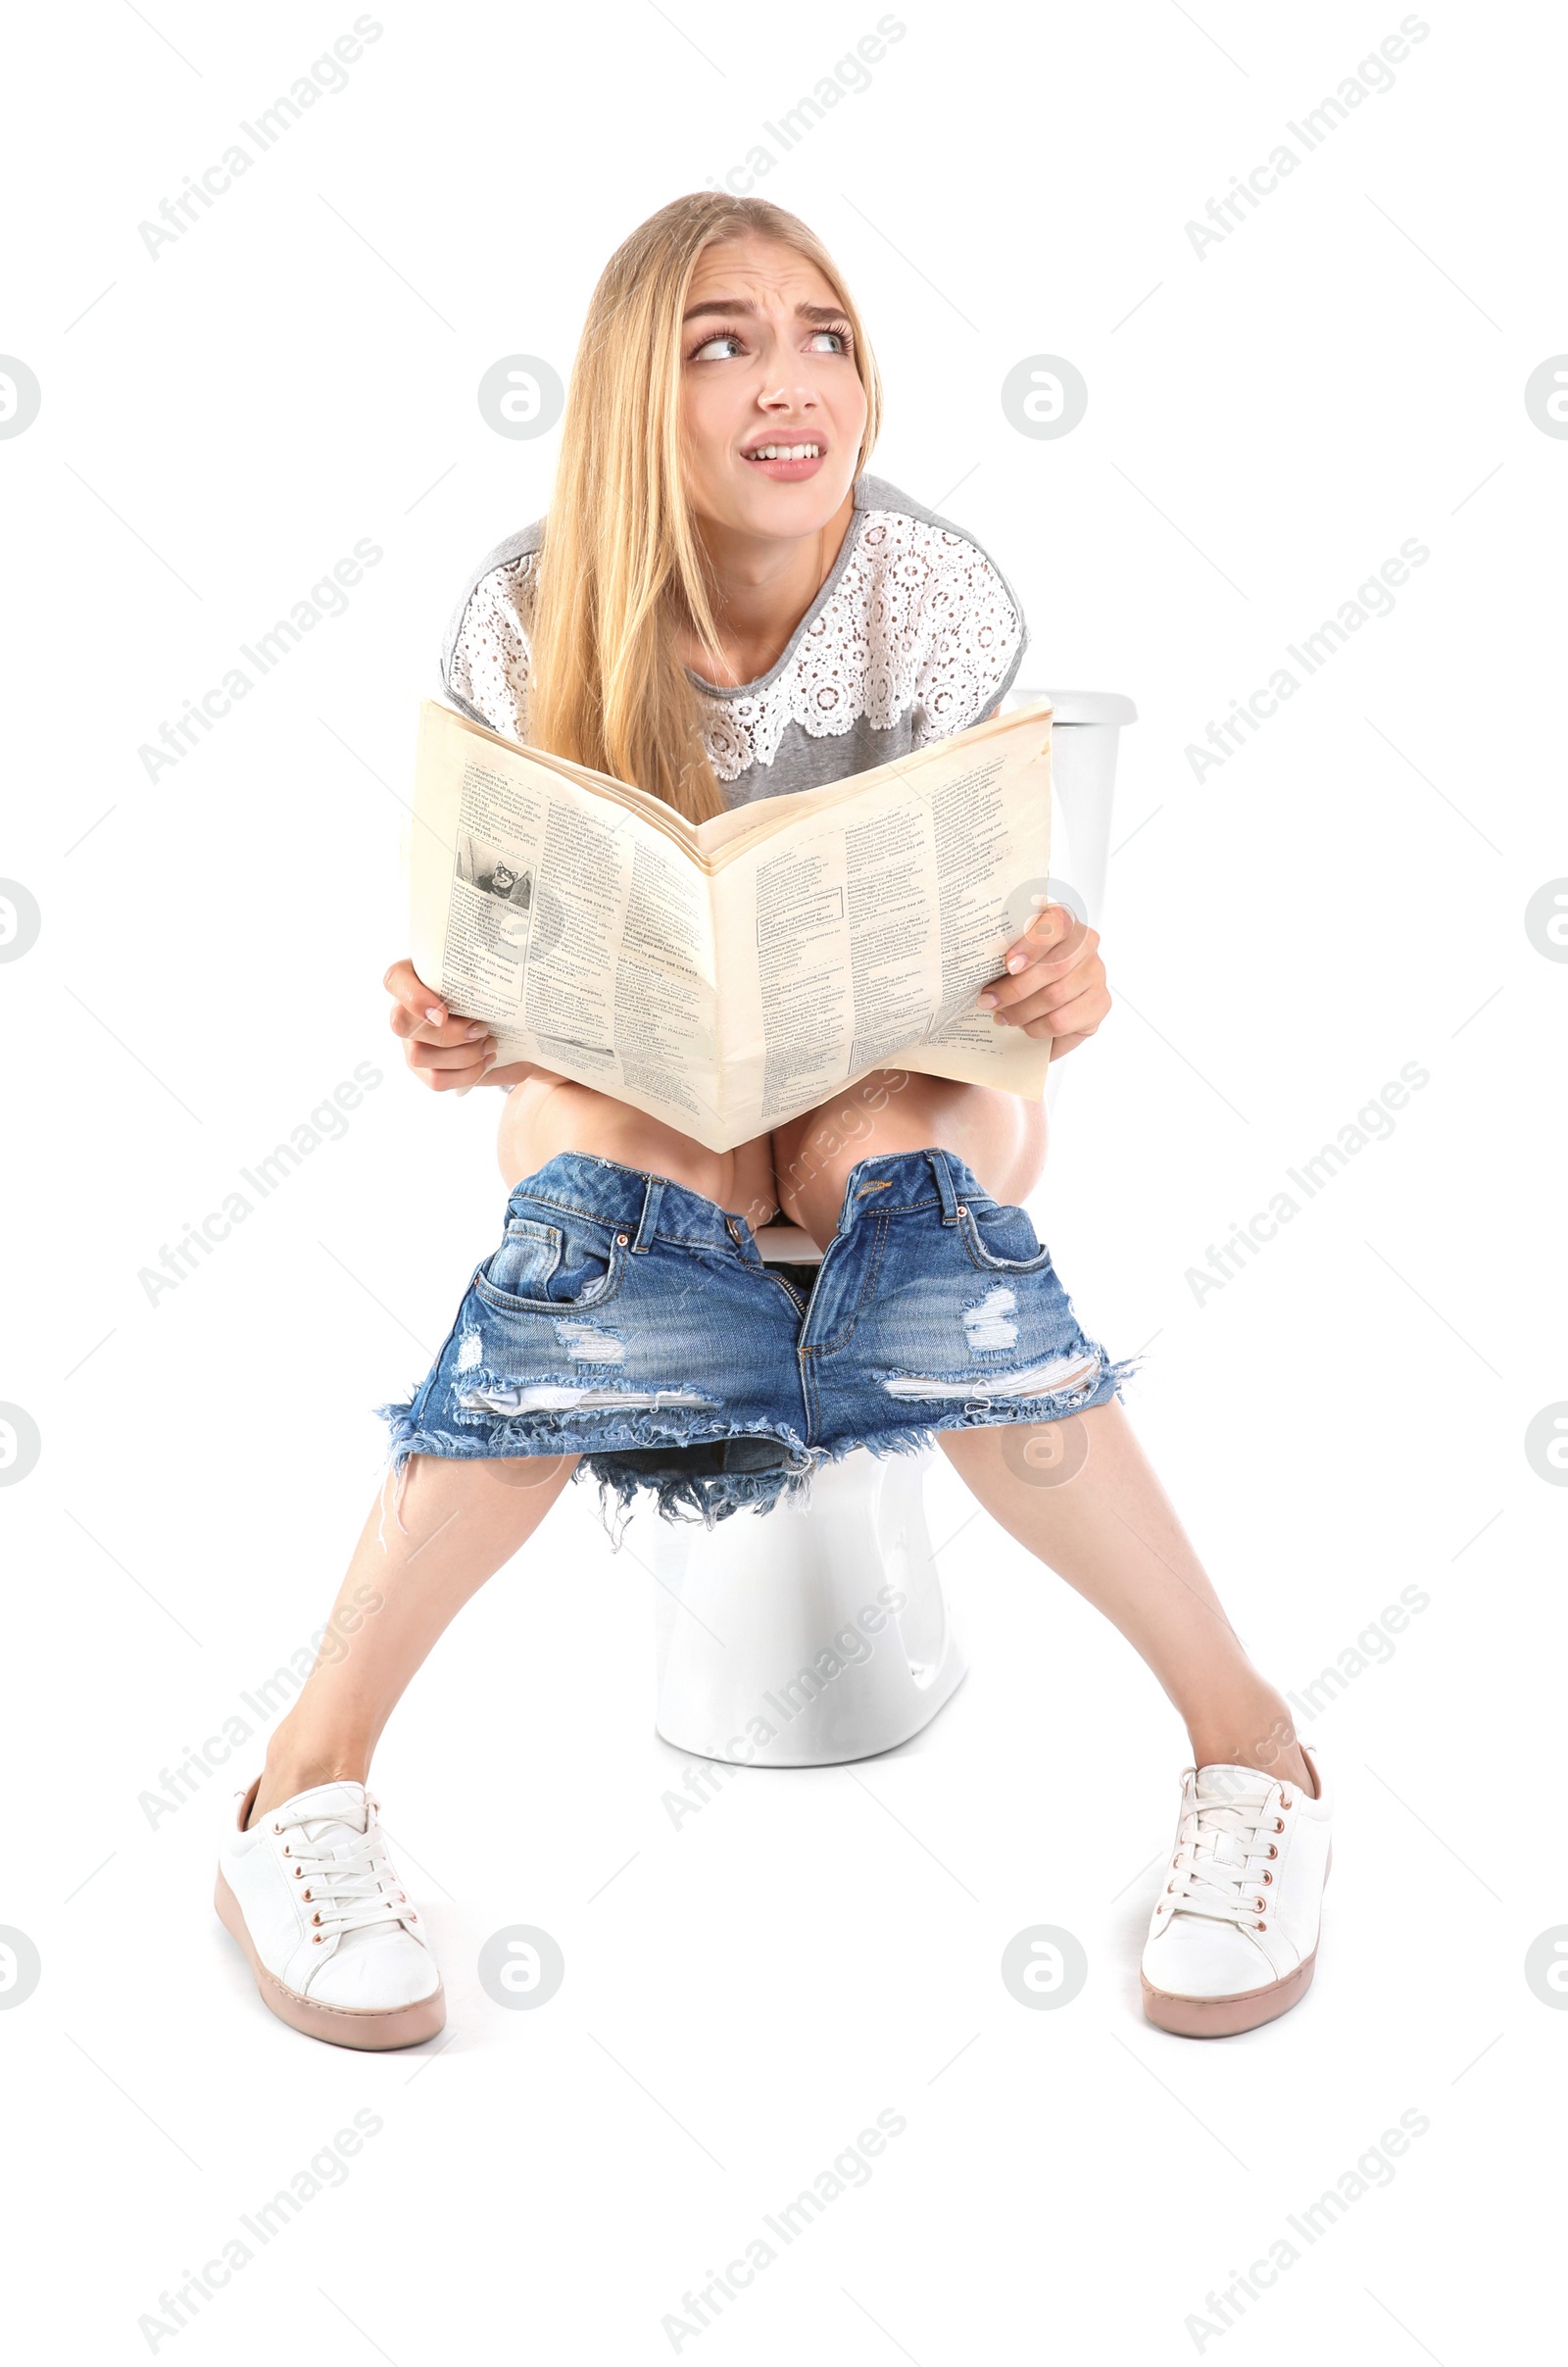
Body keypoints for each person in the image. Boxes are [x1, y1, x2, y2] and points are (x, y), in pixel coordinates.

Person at [215, 192, 1331, 2053]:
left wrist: (1069, 977)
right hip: (639, 1087)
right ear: (632, 394)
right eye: (720, 342)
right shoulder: (523, 607)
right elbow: (504, 942)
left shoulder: (935, 587)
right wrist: (452, 1017)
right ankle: (300, 1793)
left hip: (901, 1070)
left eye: (823, 333)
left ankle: (1257, 1755)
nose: (787, 381)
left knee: (899, 1223)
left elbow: (988, 915)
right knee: (606, 1246)